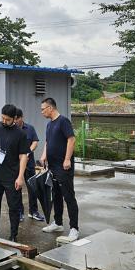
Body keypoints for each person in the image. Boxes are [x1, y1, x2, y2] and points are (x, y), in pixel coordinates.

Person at [0, 104, 29, 242]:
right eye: (2, 118)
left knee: (14, 207)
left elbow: (23, 156)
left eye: (7, 119)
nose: (4, 121)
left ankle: (13, 235)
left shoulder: (20, 134)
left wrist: (20, 177)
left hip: (11, 177)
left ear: (14, 119)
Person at [40, 98, 80, 242]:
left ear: (50, 108)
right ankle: (58, 223)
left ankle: (74, 228)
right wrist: (43, 156)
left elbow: (71, 139)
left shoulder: (63, 121)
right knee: (56, 195)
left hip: (64, 167)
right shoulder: (49, 125)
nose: (42, 111)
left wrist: (67, 159)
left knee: (68, 196)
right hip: (53, 166)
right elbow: (47, 142)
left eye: (43, 109)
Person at [15, 108, 44, 222]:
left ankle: (33, 212)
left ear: (22, 117)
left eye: (17, 118)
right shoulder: (12, 130)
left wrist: (28, 151)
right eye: (14, 119)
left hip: (29, 164)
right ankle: (19, 212)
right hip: (16, 165)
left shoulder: (30, 128)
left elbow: (35, 141)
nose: (15, 121)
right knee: (17, 189)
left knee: (32, 188)